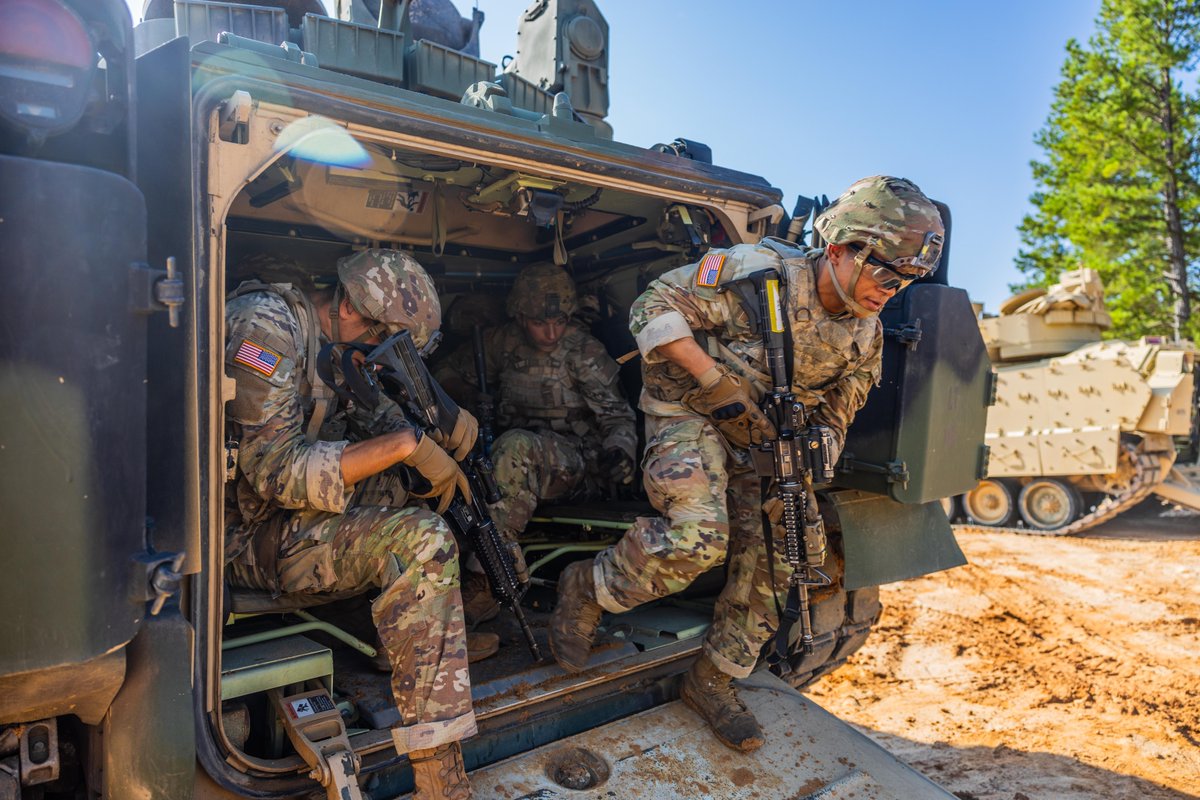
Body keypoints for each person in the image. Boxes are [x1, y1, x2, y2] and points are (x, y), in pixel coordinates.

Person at [548, 176, 945, 752]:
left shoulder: (867, 332)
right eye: (887, 274)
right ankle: (589, 587)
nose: (892, 290)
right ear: (840, 250)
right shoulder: (758, 276)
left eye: (906, 281)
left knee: (787, 553)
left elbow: (846, 399)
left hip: (767, 438)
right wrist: (715, 383)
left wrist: (822, 441)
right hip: (692, 414)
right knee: (699, 538)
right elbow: (651, 306)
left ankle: (713, 680)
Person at [223, 249, 485, 799]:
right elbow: (274, 472)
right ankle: (439, 776)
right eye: (378, 345)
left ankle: (410, 639)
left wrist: (433, 439)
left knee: (418, 495)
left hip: (289, 517)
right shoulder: (266, 328)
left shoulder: (338, 346)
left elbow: (371, 413)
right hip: (243, 536)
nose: (376, 361)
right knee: (423, 541)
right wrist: (405, 446)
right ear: (347, 308)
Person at [435, 264, 638, 621]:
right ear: (519, 316)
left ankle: (487, 578)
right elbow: (444, 375)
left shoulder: (583, 352)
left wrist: (620, 452)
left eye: (559, 321)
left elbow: (618, 418)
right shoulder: (503, 342)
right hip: (512, 458)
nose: (551, 332)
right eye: (539, 323)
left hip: (577, 464)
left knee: (516, 448)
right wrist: (471, 399)